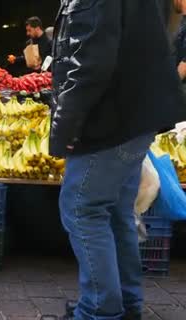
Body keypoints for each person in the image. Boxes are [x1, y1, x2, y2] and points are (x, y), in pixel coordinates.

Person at [49, 1, 186, 320]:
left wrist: (64, 125)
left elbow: (89, 61)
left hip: (111, 120)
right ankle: (124, 302)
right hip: (134, 117)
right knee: (115, 211)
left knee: (82, 208)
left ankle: (101, 309)